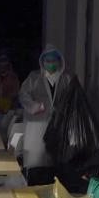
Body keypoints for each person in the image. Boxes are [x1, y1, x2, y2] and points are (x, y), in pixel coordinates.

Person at [18, 45, 74, 185]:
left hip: (58, 125)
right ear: (42, 62)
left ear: (60, 61)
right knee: (36, 163)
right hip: (37, 125)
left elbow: (72, 99)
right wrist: (34, 106)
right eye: (47, 61)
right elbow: (23, 94)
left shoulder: (66, 79)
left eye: (53, 60)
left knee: (54, 164)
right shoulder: (34, 78)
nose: (50, 63)